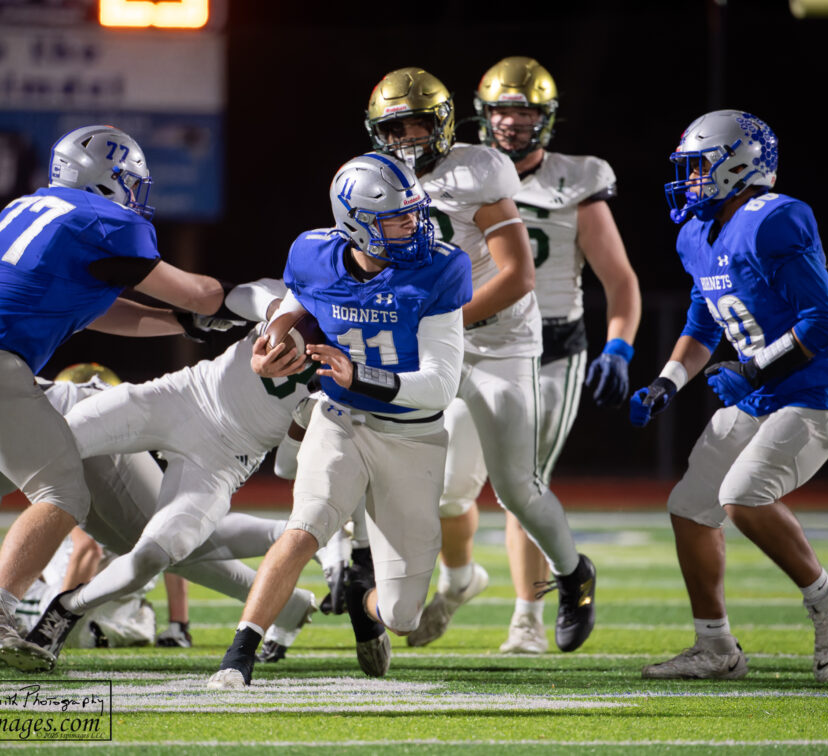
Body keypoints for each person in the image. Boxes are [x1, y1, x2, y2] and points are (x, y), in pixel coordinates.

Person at [0, 124, 228, 673]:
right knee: (62, 493)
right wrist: (215, 306)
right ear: (106, 179)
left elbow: (97, 309)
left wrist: (179, 324)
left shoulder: (23, 208)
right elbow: (204, 293)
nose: (134, 194)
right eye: (127, 181)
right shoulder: (108, 220)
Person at [0, 337, 318, 669]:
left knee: (160, 542)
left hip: (146, 433)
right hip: (152, 421)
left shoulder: (21, 402)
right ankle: (296, 581)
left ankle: (302, 542)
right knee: (165, 545)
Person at [208, 152, 473, 690]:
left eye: (415, 212)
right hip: (341, 419)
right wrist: (273, 341)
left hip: (413, 435)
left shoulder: (442, 267)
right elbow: (296, 303)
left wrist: (360, 375)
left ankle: (361, 598)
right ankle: (238, 655)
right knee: (306, 525)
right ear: (358, 224)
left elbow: (441, 384)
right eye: (399, 217)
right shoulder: (312, 253)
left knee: (402, 615)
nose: (415, 225)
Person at [362, 67, 597, 653]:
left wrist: (443, 322)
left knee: (517, 488)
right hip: (433, 343)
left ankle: (573, 575)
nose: (407, 140)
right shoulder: (376, 178)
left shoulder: (476, 168)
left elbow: (517, 276)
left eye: (418, 126)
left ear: (442, 124)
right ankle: (385, 575)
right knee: (426, 484)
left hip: (497, 342)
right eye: (395, 129)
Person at [415, 57, 641, 654]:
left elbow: (620, 281)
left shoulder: (576, 179)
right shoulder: (458, 168)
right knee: (445, 490)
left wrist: (619, 344)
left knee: (520, 487)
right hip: (460, 340)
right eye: (501, 111)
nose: (512, 122)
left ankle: (528, 618)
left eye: (525, 111)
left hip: (541, 345)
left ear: (546, 118)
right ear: (480, 116)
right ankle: (460, 580)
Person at [630, 109, 828, 682]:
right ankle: (716, 647)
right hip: (762, 397)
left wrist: (754, 371)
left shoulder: (773, 220)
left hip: (817, 394)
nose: (689, 181)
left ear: (739, 165)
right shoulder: (696, 232)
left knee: (745, 496)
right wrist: (667, 381)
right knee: (690, 507)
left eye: (699, 168)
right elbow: (704, 324)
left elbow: (824, 321)